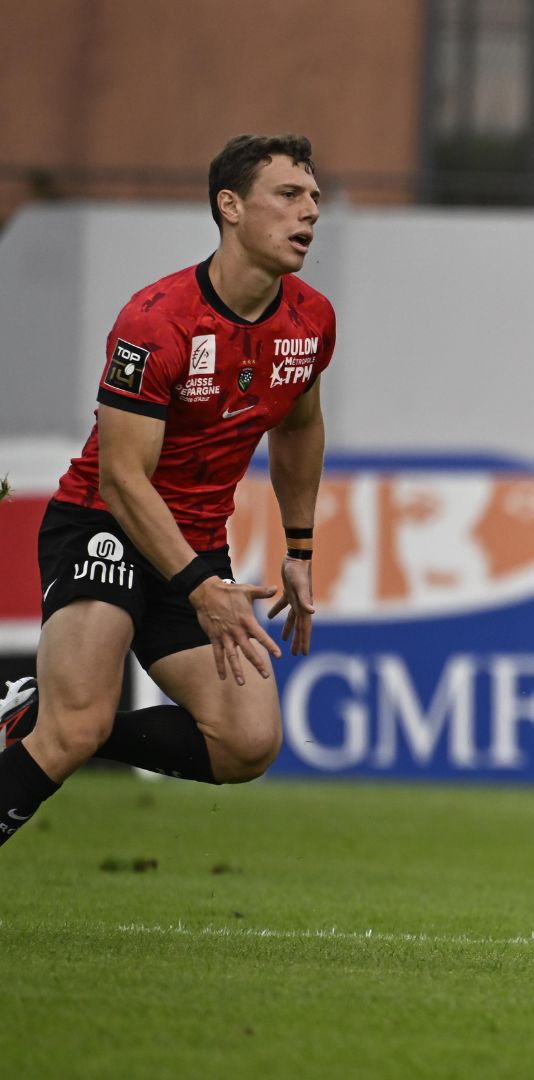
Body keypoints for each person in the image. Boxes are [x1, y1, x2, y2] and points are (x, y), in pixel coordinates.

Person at [0, 134, 334, 851]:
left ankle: (31, 715)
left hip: (194, 548)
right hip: (103, 526)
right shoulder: (156, 322)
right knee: (77, 728)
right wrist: (200, 586)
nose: (310, 211)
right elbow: (121, 480)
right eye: (289, 195)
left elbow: (300, 427)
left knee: (248, 743)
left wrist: (298, 548)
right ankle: (56, 724)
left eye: (313, 197)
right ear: (230, 207)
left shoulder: (310, 321)